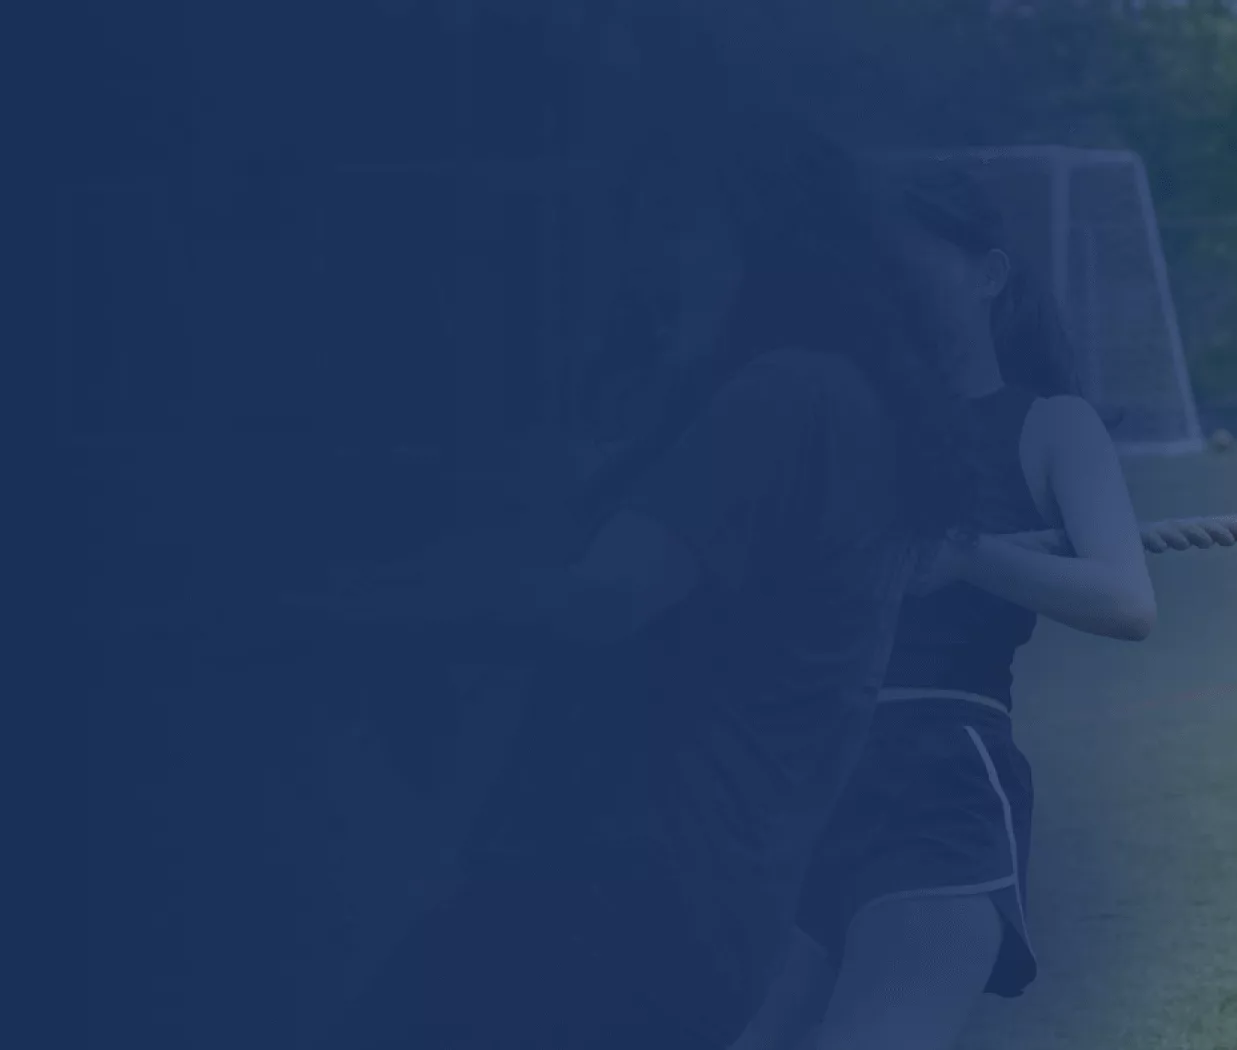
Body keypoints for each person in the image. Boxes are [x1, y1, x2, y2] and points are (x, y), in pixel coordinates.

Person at [334, 113, 971, 1049]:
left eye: (678, 227)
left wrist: (365, 612)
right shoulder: (864, 402)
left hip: (617, 892)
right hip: (723, 904)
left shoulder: (785, 393)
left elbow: (604, 601)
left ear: (759, 239)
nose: (650, 261)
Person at [725, 164, 1156, 1050]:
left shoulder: (1050, 423)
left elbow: (1126, 600)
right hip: (804, 776)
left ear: (986, 275)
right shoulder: (841, 420)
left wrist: (966, 554)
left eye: (908, 264)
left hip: (933, 778)